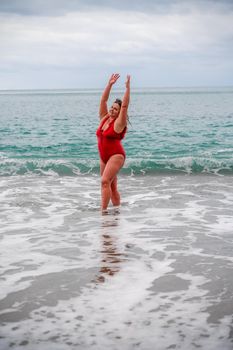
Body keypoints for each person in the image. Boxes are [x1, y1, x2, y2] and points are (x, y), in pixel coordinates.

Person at [96, 73, 130, 213]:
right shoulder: (104, 117)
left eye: (115, 109)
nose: (112, 109)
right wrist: (109, 84)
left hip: (116, 156)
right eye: (112, 107)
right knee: (111, 186)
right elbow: (103, 100)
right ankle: (117, 212)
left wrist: (127, 88)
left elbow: (125, 106)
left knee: (104, 182)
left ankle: (103, 213)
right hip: (104, 157)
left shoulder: (119, 123)